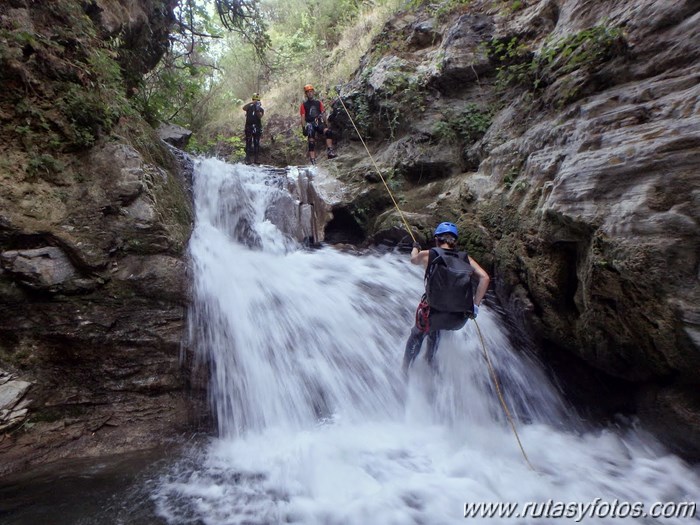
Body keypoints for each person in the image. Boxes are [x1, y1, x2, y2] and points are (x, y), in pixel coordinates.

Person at [402, 222, 490, 374]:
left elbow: (413, 260)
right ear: (454, 241)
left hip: (432, 315)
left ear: (437, 239)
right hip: (458, 320)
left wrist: (415, 248)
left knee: (417, 334)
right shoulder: (465, 258)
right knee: (436, 330)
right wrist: (475, 306)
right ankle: (430, 363)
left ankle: (404, 370)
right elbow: (485, 278)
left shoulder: (429, 254)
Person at [300, 84, 336, 165]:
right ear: (306, 94)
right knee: (311, 142)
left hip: (319, 122)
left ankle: (330, 151)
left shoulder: (318, 103)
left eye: (311, 91)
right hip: (310, 124)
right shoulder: (304, 105)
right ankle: (313, 160)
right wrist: (303, 128)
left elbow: (323, 114)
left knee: (328, 132)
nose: (310, 93)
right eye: (308, 92)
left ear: (313, 92)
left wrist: (326, 123)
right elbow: (302, 117)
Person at [242, 93, 265, 164]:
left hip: (257, 127)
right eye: (255, 100)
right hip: (249, 127)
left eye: (257, 100)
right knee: (248, 142)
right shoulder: (249, 107)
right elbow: (244, 108)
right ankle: (247, 159)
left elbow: (260, 116)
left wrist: (257, 109)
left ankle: (256, 159)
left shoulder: (261, 109)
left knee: (256, 143)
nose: (256, 101)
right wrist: (252, 103)